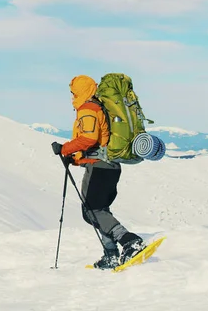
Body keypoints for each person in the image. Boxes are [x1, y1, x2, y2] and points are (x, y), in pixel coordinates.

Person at [51, 75, 146, 269]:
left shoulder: (88, 109)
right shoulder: (96, 107)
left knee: (92, 212)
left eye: (73, 92)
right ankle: (110, 255)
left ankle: (130, 241)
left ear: (81, 90)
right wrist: (76, 159)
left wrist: (64, 149)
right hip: (106, 166)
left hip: (100, 168)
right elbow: (97, 142)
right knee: (98, 211)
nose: (72, 97)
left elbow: (89, 138)